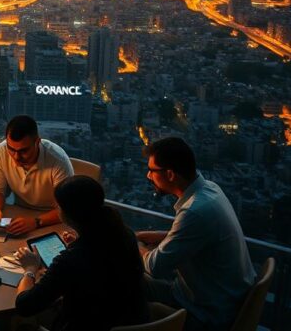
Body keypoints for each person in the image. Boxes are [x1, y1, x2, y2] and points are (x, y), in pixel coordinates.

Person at [137, 137, 255, 331]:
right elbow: (193, 235)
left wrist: (133, 242)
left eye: (152, 170)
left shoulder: (194, 211)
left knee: (123, 283)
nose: (148, 176)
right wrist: (153, 236)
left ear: (170, 174)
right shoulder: (210, 189)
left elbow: (154, 266)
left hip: (205, 314)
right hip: (218, 299)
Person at [13, 176, 148, 331]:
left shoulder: (70, 260)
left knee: (21, 324)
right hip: (127, 318)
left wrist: (30, 269)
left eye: (58, 206)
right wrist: (78, 242)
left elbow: (24, 306)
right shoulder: (125, 234)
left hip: (86, 324)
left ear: (68, 214)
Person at [0, 115, 74, 235]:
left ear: (37, 142)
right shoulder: (1, 151)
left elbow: (67, 209)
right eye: (11, 149)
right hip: (20, 212)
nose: (16, 157)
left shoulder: (58, 160)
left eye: (23, 151)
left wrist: (36, 222)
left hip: (53, 219)